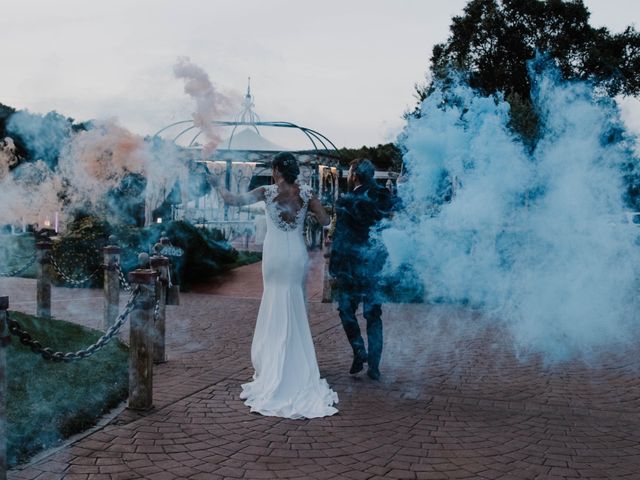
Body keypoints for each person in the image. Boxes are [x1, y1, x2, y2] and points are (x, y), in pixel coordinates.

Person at [207, 152, 338, 418]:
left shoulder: (266, 191)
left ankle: (273, 365)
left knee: (275, 300)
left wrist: (217, 184)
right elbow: (326, 221)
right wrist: (317, 211)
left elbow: (232, 201)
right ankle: (296, 364)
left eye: (273, 168)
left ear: (277, 170)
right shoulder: (307, 192)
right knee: (295, 303)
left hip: (276, 255)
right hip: (297, 254)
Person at [328, 158, 393, 380]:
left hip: (351, 266)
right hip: (375, 264)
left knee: (346, 310)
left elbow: (340, 238)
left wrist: (334, 268)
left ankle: (359, 349)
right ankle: (374, 366)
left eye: (350, 172)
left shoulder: (346, 200)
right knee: (374, 315)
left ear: (355, 175)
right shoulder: (383, 196)